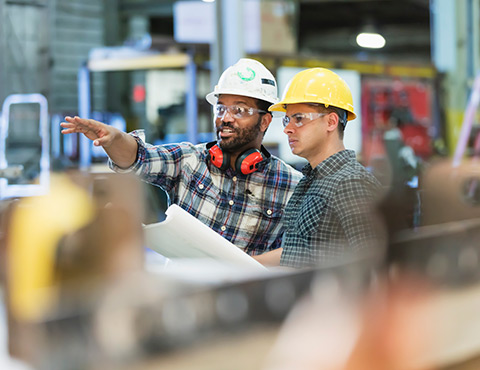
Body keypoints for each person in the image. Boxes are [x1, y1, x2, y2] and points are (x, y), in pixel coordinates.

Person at [61, 58, 302, 256]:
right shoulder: (189, 160)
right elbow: (138, 157)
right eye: (221, 108)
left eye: (239, 110)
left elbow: (296, 254)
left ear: (265, 120)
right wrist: (114, 139)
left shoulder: (291, 185)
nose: (225, 118)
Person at [253, 67, 386, 268]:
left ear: (331, 122)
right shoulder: (309, 181)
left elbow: (377, 264)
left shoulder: (351, 184)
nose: (288, 128)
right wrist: (241, 264)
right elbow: (295, 252)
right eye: (288, 119)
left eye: (299, 119)